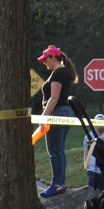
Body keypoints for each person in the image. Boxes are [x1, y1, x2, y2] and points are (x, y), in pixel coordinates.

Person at [37, 45, 77, 197]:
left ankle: (57, 184)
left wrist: (44, 117)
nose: (44, 62)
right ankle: (60, 182)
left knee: (54, 150)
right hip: (65, 112)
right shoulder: (63, 72)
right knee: (59, 149)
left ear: (53, 57)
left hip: (57, 113)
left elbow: (54, 98)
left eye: (46, 59)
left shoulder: (58, 73)